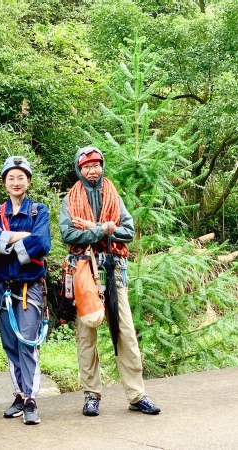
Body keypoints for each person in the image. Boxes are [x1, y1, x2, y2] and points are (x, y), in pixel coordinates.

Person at [59, 146, 161, 416]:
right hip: (84, 270)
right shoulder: (70, 198)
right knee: (86, 333)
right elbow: (68, 234)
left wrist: (94, 228)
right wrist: (103, 229)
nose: (92, 170)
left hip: (112, 268)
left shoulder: (114, 195)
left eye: (96, 165)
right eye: (86, 166)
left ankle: (136, 394)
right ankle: (91, 394)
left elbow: (128, 231)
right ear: (79, 169)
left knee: (125, 331)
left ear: (102, 166)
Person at [0, 156, 51, 425]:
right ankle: (19, 394)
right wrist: (24, 237)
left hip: (29, 286)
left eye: (20, 177)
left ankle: (30, 399)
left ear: (28, 181)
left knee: (27, 341)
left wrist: (7, 240)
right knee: (10, 343)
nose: (16, 182)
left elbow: (42, 243)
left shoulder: (38, 210)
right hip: (2, 287)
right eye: (11, 177)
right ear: (4, 182)